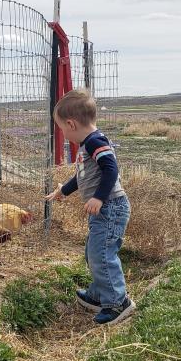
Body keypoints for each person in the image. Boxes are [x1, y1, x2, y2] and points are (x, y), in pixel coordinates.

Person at [46, 88, 134, 325]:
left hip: (111, 208)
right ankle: (99, 294)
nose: (63, 134)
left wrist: (99, 197)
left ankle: (117, 302)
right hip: (104, 210)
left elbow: (111, 169)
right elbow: (83, 176)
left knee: (102, 254)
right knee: (93, 253)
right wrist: (63, 190)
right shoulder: (88, 145)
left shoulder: (95, 142)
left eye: (62, 129)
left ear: (71, 124)